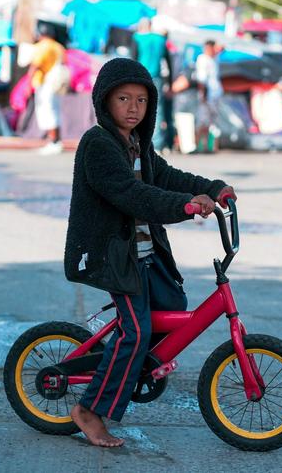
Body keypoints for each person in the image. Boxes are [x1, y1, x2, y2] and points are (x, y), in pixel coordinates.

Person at [64, 58, 236, 447]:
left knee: (172, 304)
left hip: (145, 252)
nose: (132, 108)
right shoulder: (99, 145)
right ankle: (89, 410)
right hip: (112, 254)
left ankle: (128, 366)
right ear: (104, 101)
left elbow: (168, 177)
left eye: (141, 100)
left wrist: (212, 187)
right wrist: (184, 207)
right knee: (138, 329)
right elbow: (132, 195)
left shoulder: (138, 144)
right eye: (123, 99)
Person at [131, 19, 174, 153]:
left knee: (136, 108)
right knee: (157, 109)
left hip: (140, 77)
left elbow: (133, 59)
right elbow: (168, 62)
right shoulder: (161, 39)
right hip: (157, 78)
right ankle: (157, 145)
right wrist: (170, 82)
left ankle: (139, 142)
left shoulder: (137, 38)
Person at [27, 24, 66, 155]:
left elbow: (35, 65)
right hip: (56, 84)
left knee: (47, 112)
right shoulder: (58, 46)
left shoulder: (43, 46)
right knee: (55, 111)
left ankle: (53, 141)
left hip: (45, 83)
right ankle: (57, 141)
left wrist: (27, 84)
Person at [195, 40, 224, 153]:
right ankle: (199, 146)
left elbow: (222, 49)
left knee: (213, 122)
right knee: (203, 121)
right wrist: (203, 94)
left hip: (215, 94)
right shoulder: (202, 59)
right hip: (207, 94)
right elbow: (201, 79)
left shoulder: (214, 59)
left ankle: (210, 147)